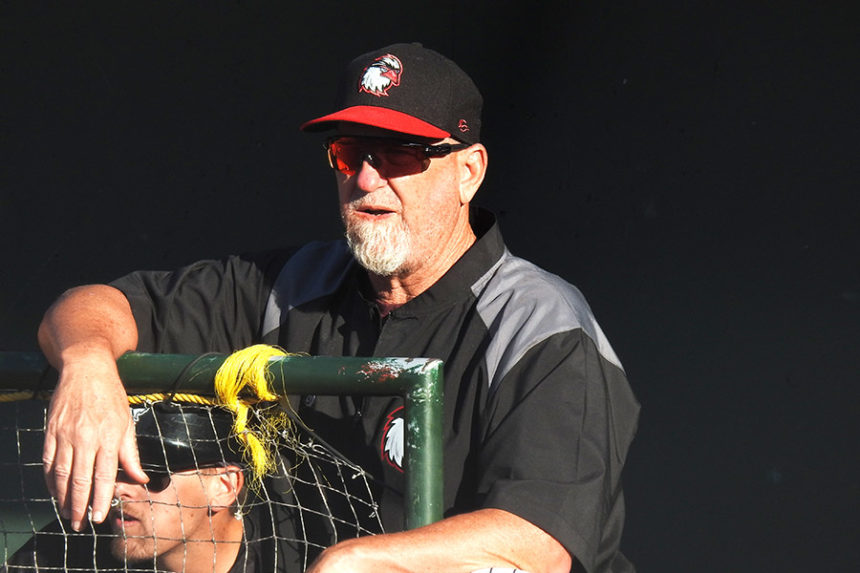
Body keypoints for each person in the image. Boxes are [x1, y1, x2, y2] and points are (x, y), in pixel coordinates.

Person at [37, 42, 640, 572]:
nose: (369, 180)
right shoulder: (293, 284)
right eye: (351, 153)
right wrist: (88, 364)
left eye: (401, 154)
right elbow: (97, 303)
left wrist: (360, 561)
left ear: (468, 171)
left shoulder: (539, 322)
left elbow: (541, 545)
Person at [4, 401, 288, 572]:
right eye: (110, 468)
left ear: (224, 486)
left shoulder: (290, 557)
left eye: (151, 474)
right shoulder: (68, 550)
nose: (117, 488)